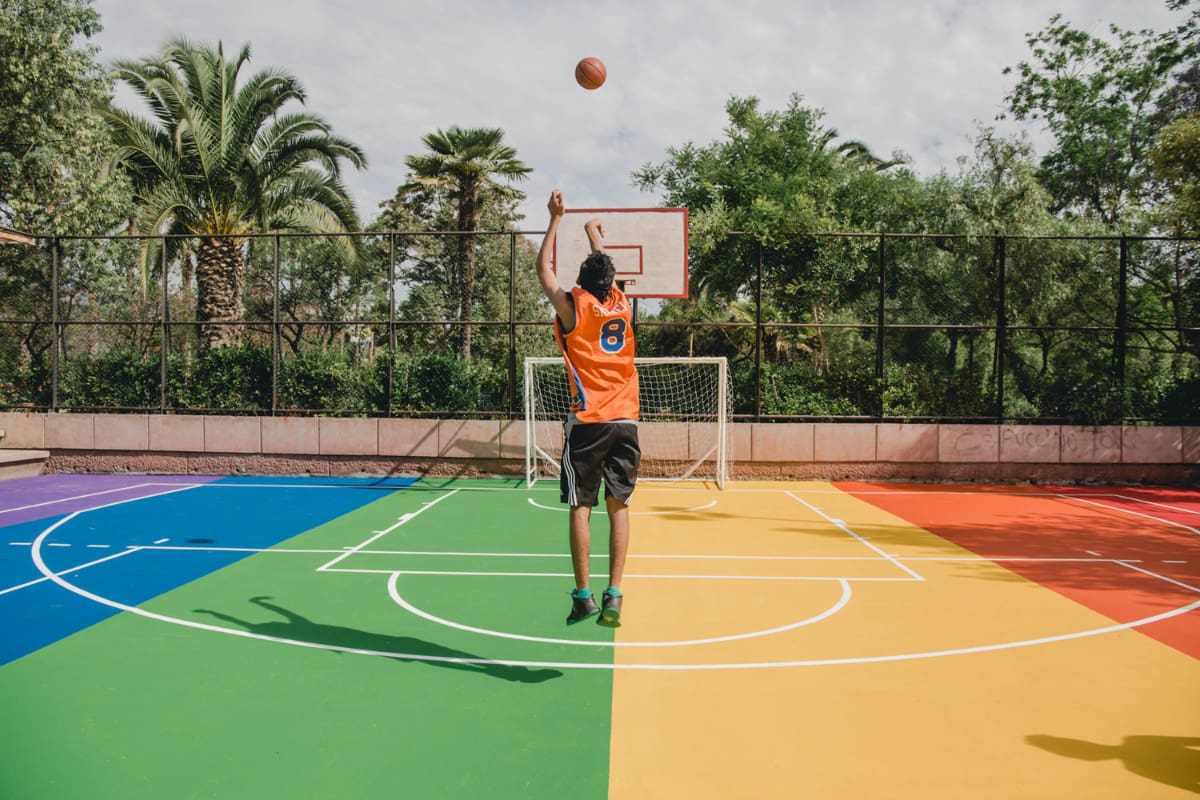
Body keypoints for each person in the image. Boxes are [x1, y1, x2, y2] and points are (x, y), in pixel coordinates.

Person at [535, 189, 640, 627]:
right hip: (627, 419)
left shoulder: (573, 308)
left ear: (581, 281)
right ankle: (614, 593)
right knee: (620, 506)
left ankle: (583, 596)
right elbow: (604, 269)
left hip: (589, 421)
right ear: (611, 282)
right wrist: (594, 231)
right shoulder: (621, 303)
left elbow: (543, 270)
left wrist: (555, 219)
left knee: (581, 505)